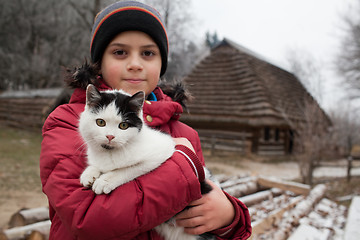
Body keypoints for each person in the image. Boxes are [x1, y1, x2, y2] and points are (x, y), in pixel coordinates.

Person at [40, 1, 252, 239]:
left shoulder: (186, 133)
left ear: (162, 64)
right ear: (99, 61)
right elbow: (87, 219)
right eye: (120, 52)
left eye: (148, 53)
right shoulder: (67, 122)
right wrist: (182, 164)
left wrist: (229, 217)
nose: (135, 64)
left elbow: (202, 200)